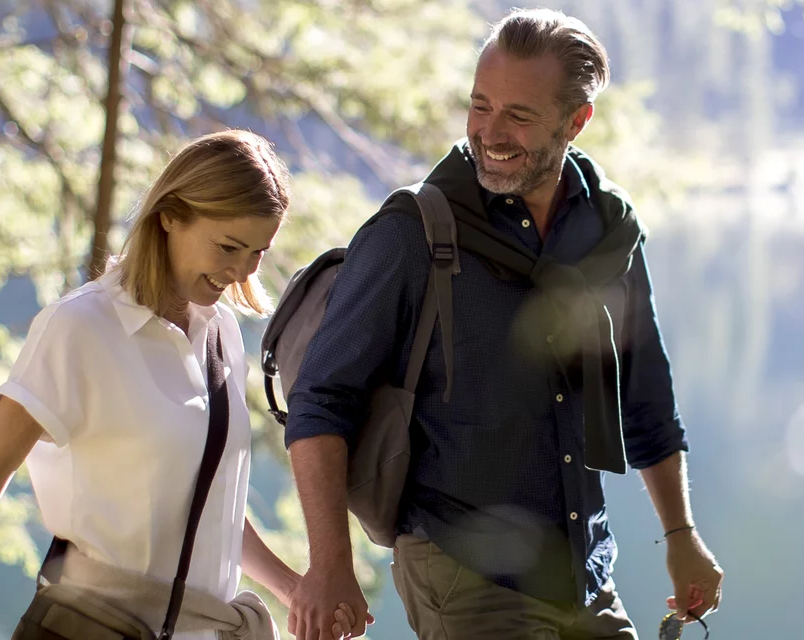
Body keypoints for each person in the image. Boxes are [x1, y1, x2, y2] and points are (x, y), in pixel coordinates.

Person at [279, 9, 725, 640]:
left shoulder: (608, 230)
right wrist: (329, 565)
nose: (490, 131)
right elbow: (321, 400)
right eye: (480, 105)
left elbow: (646, 395)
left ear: (577, 121)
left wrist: (681, 536)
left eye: (519, 114)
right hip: (463, 572)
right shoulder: (414, 231)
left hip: (585, 571)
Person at [0, 130, 355, 640]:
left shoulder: (220, 333)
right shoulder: (80, 326)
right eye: (228, 246)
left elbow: (208, 505)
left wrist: (296, 589)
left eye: (258, 251)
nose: (240, 270)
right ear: (169, 215)